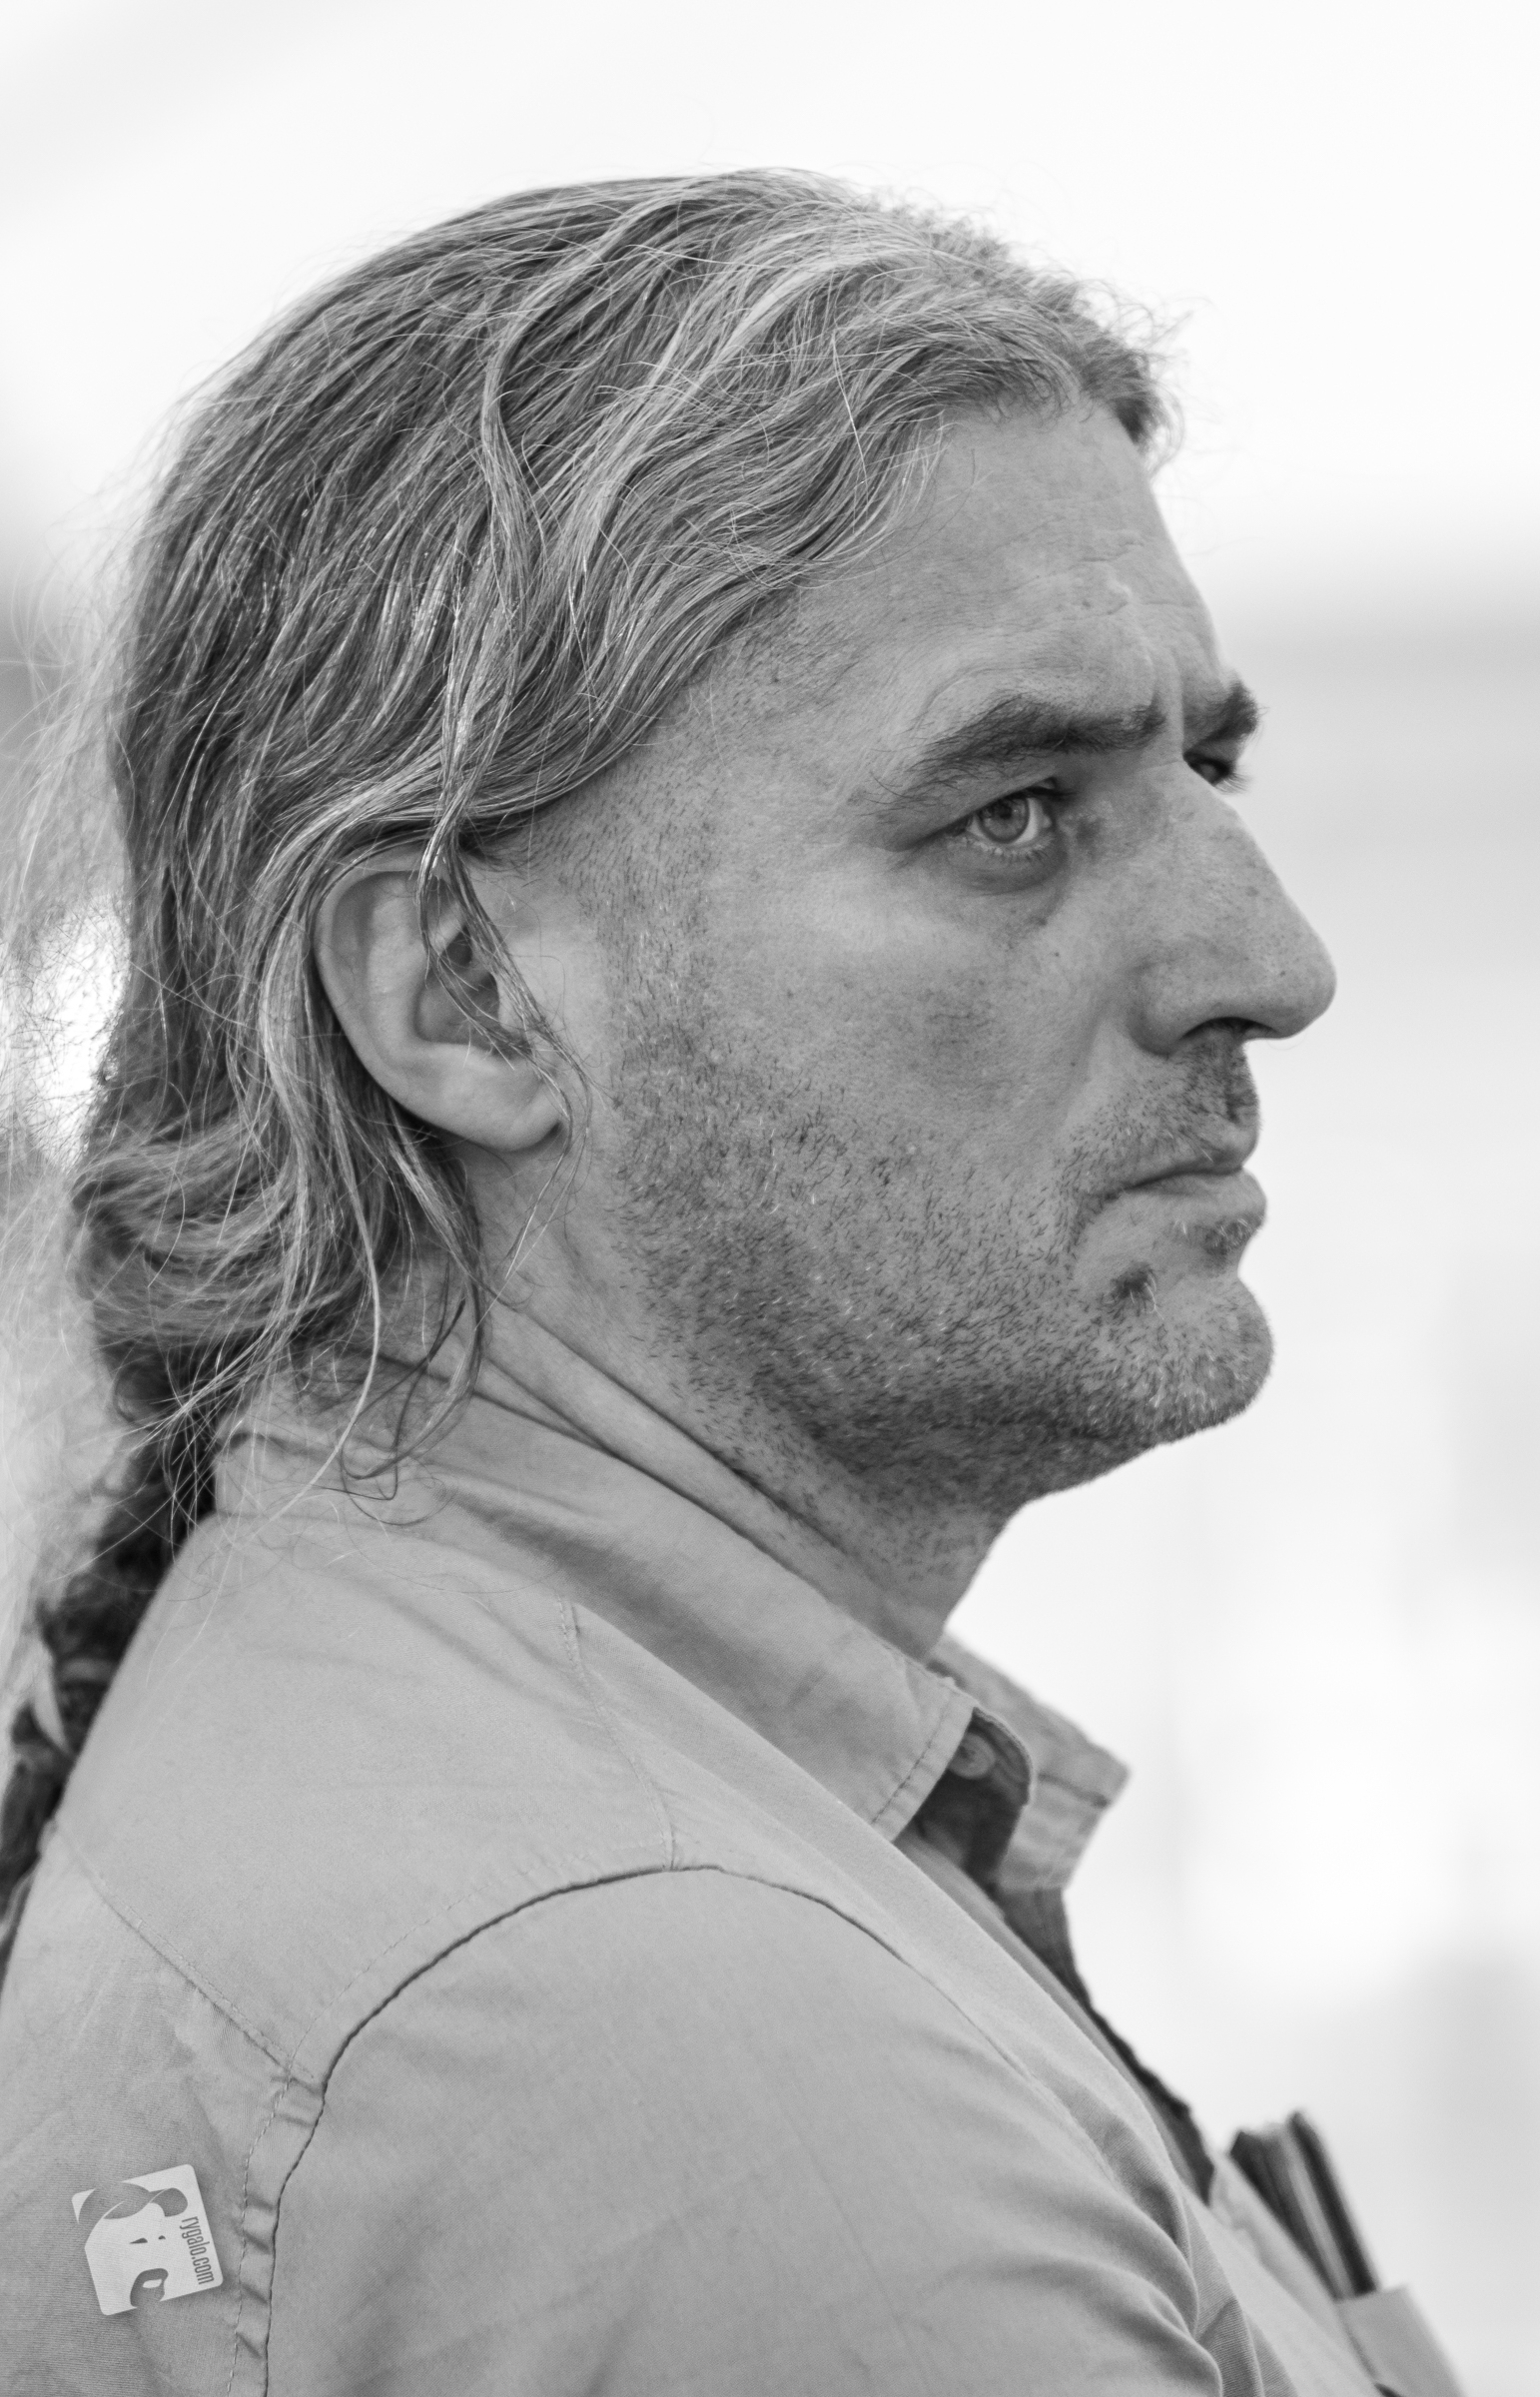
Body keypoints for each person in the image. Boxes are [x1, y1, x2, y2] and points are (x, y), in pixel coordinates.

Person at [0, 170, 1365, 2393]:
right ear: (462, 995)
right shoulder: (663, 2048)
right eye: (1013, 811)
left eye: (1201, 765)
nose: (1270, 964)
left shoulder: (484, 1784)